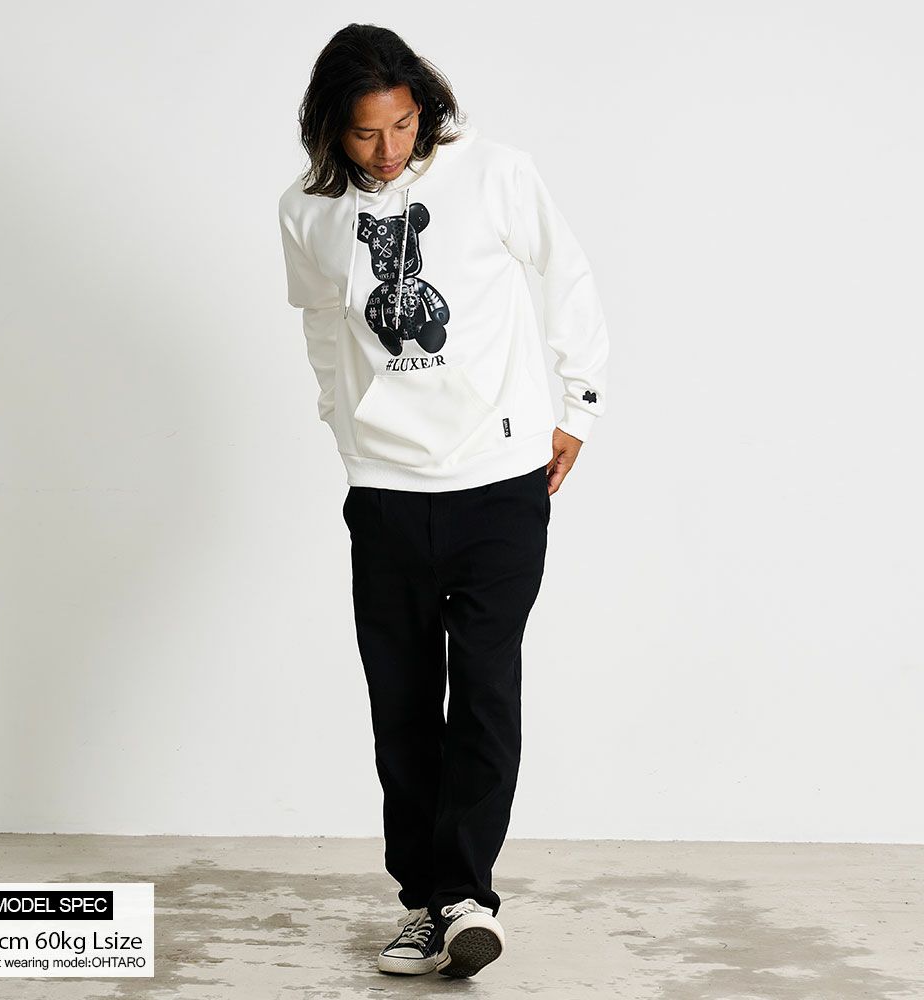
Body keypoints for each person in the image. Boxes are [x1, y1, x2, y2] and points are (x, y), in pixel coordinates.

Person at [277, 23, 609, 979]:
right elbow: (322, 325)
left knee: (486, 694)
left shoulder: (495, 173)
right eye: (365, 133)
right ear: (330, 129)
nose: (389, 150)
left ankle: (464, 895)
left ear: (423, 107)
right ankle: (423, 902)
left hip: (500, 484)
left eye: (403, 125)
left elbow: (566, 273)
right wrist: (345, 427)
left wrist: (578, 406)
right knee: (403, 705)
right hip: (386, 492)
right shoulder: (306, 211)